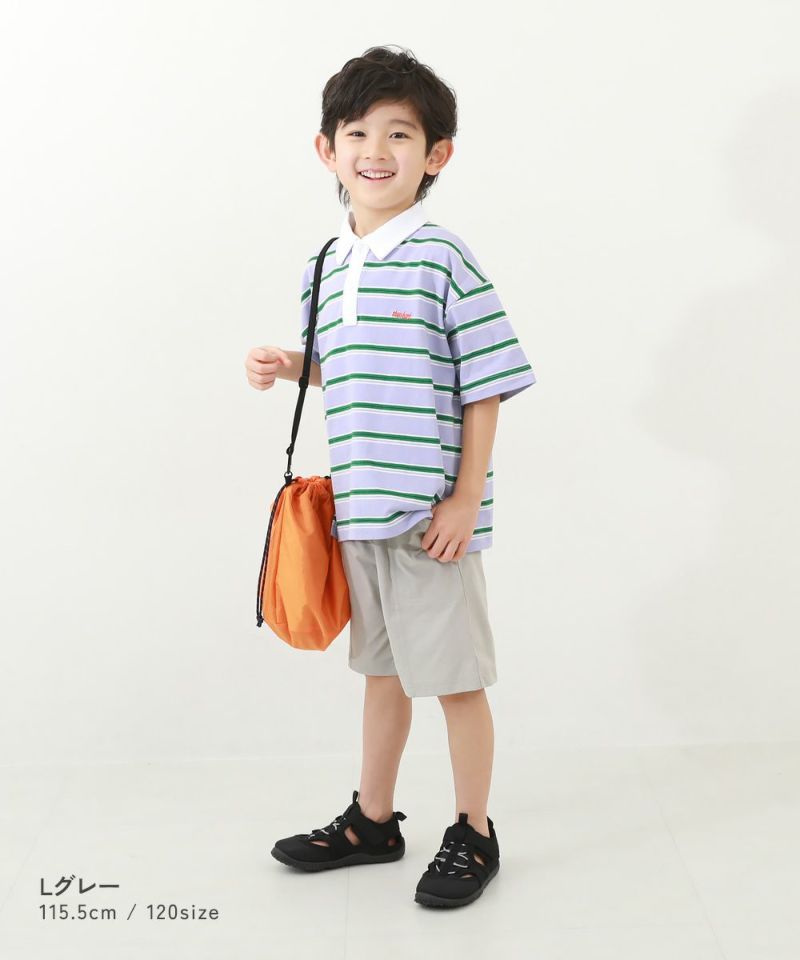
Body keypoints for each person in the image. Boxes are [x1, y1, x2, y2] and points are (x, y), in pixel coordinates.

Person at [244, 45, 536, 909]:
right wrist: (292, 365)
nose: (377, 150)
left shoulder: (444, 259)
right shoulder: (325, 264)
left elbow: (485, 382)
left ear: (436, 154)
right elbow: (346, 365)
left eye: (400, 134)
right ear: (326, 149)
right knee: (380, 673)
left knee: (454, 680)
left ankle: (474, 831)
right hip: (360, 509)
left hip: (429, 518)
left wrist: (464, 497)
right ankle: (373, 820)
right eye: (358, 132)